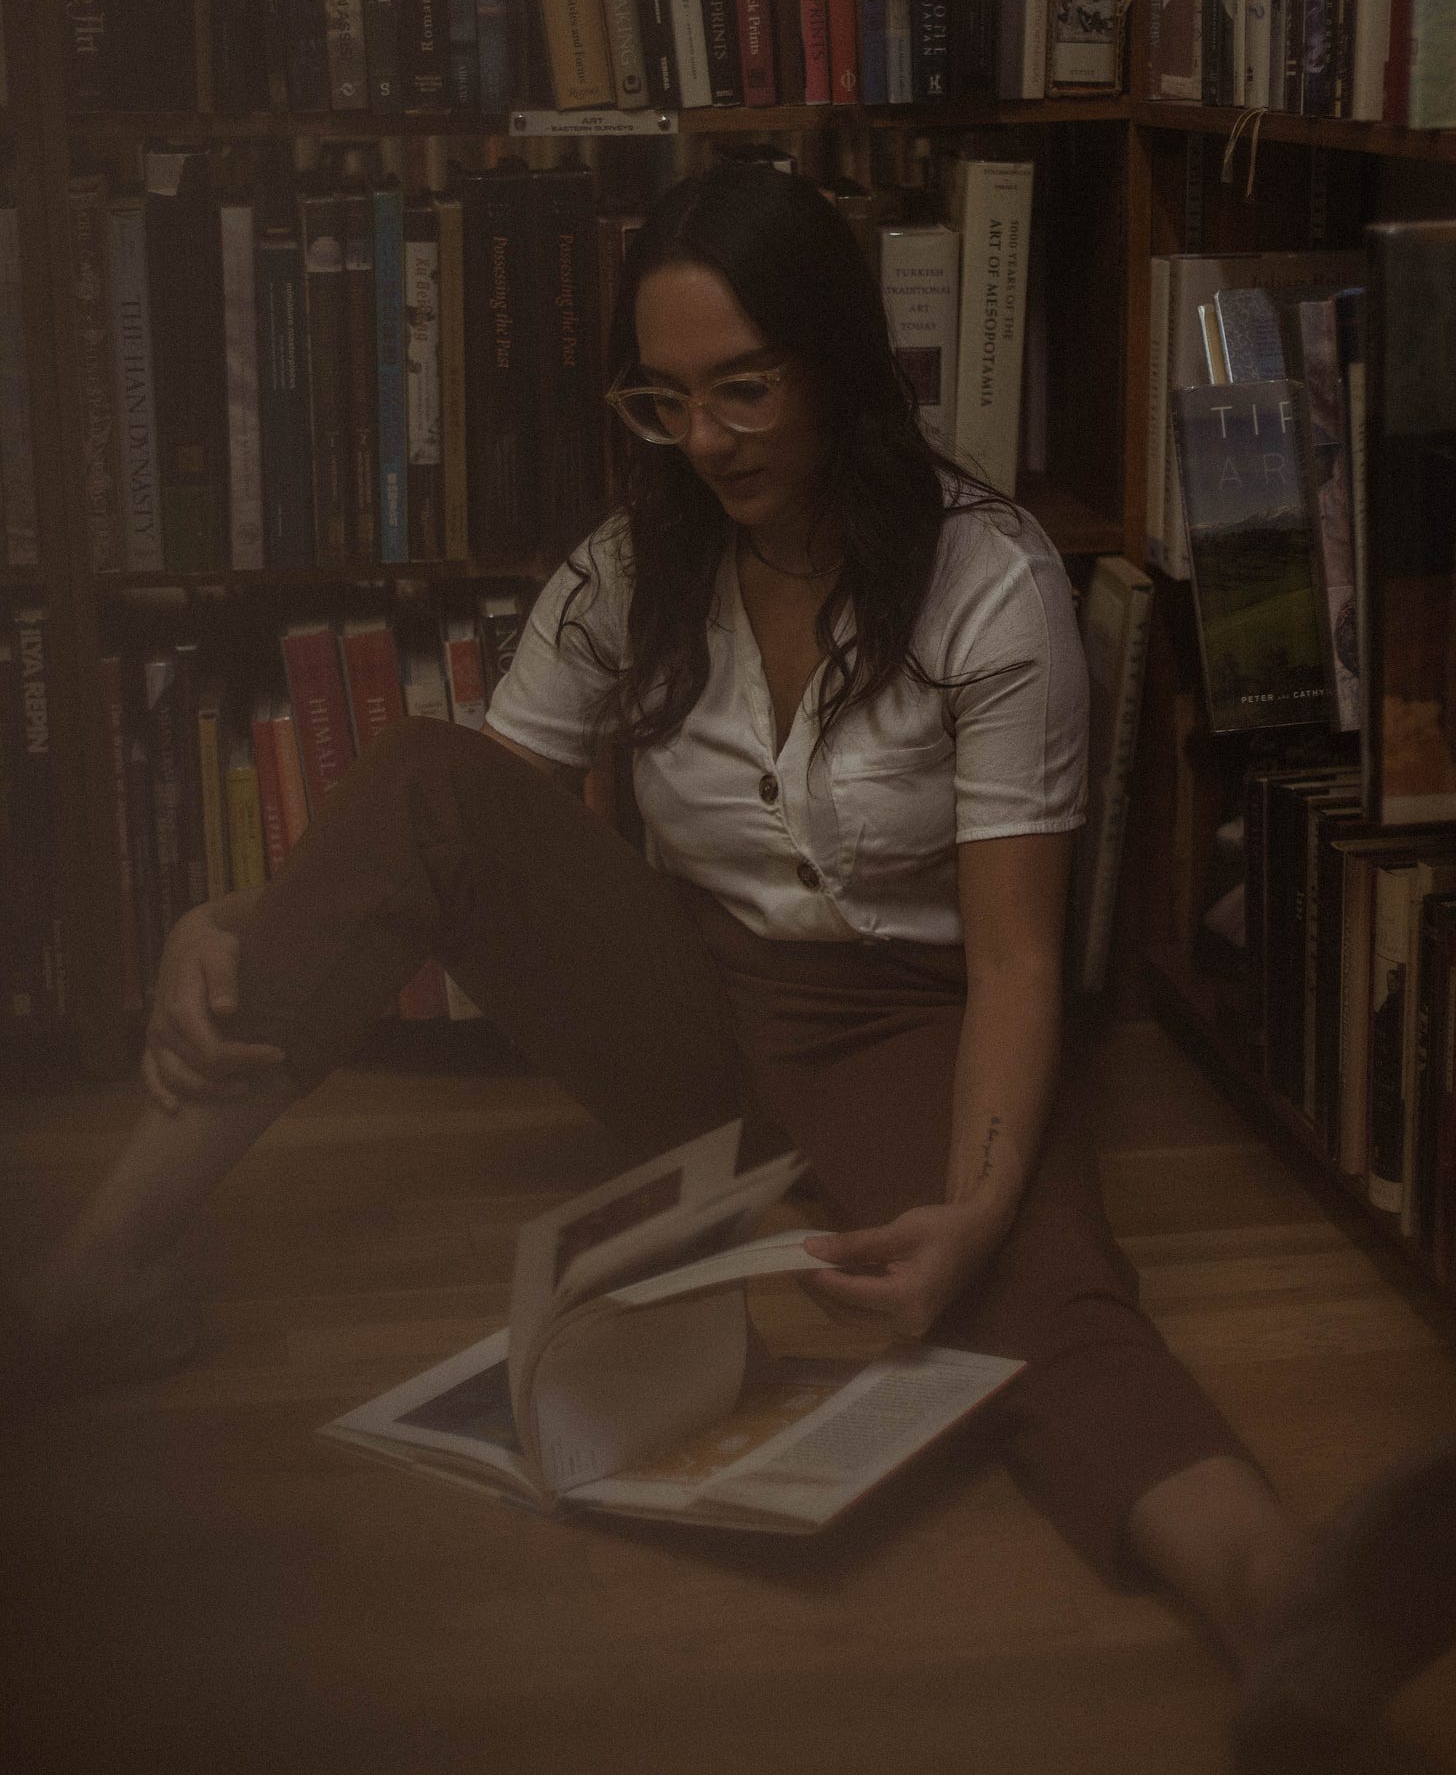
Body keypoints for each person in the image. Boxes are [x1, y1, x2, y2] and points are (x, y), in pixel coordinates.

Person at [19, 163, 1314, 1685]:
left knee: (1048, 1294)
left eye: (745, 391)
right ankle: (87, 1288)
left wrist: (971, 1206)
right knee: (425, 767)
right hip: (690, 1011)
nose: (705, 440)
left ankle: (1285, 1607)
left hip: (912, 1026)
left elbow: (1020, 958)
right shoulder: (634, 561)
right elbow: (443, 832)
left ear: (835, 364)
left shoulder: (992, 580)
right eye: (665, 397)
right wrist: (221, 912)